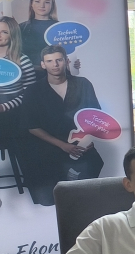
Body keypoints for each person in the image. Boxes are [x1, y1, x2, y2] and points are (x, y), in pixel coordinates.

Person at [20, 44, 103, 204]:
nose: (55, 65)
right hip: (47, 146)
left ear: (66, 61)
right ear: (43, 64)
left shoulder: (83, 84)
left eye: (59, 60)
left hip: (79, 143)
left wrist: (88, 139)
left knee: (87, 186)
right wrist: (63, 146)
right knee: (48, 197)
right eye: (49, 61)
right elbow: (32, 126)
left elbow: (95, 117)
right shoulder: (33, 91)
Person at [0, 17, 36, 206]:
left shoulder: (22, 60)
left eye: (4, 32)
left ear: (12, 35)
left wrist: (5, 106)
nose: (0, 35)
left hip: (13, 115)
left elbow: (29, 94)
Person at [19, 0, 57, 68]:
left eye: (47, 2)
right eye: (37, 1)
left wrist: (72, 63)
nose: (42, 6)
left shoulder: (60, 27)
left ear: (52, 5)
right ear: (31, 4)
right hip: (27, 72)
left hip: (53, 72)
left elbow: (66, 52)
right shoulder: (21, 28)